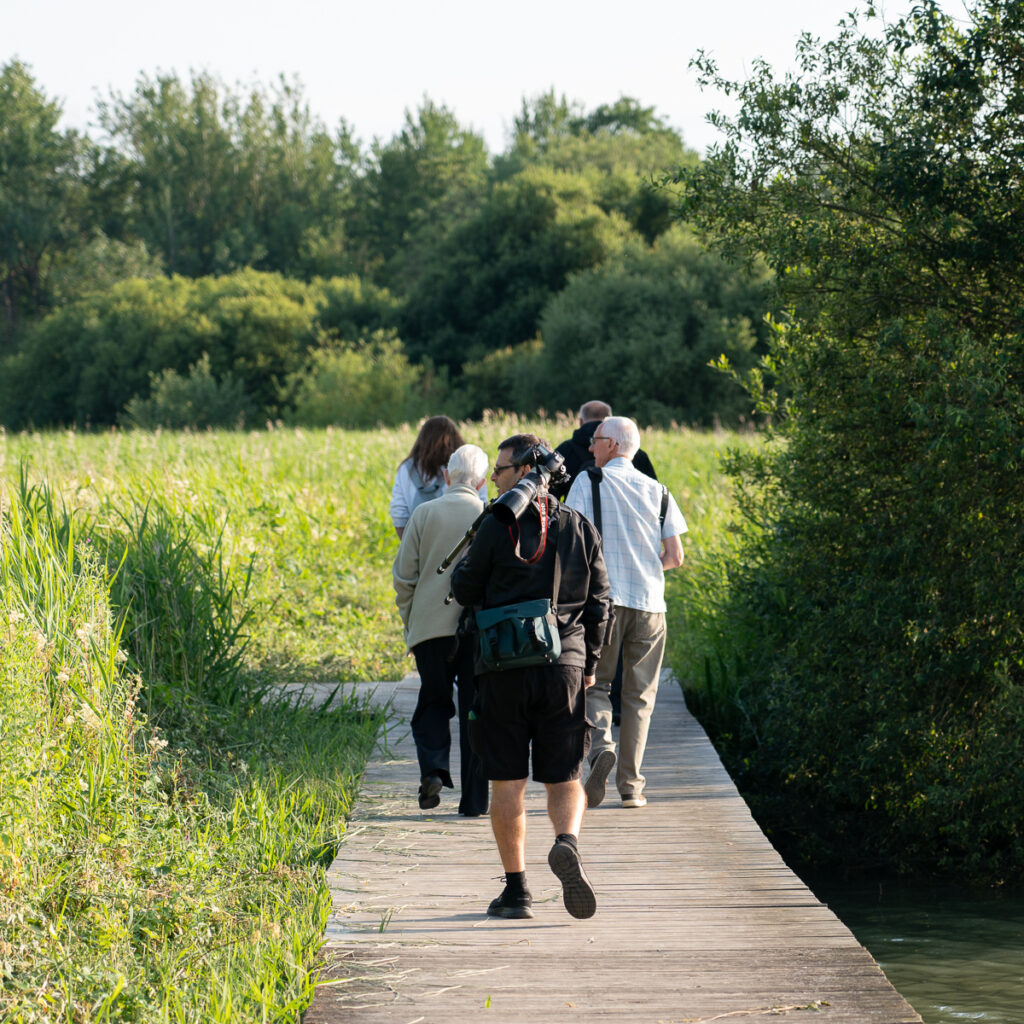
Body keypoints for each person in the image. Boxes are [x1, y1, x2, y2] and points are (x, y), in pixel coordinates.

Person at [450, 434, 612, 921]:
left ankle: (517, 892)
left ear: (522, 471)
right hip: (564, 665)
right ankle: (566, 842)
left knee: (507, 781)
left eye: (500, 470)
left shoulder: (495, 526)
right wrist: (591, 665)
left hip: (502, 668)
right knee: (564, 774)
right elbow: (601, 601)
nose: (495, 479)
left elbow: (464, 588)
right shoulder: (579, 526)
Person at [565, 416, 686, 810]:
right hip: (651, 606)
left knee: (595, 686)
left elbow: (572, 542)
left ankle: (601, 748)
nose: (590, 448)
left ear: (614, 445)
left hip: (605, 604)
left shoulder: (587, 482)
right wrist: (646, 568)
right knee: (639, 698)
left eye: (596, 441)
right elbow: (675, 557)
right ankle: (631, 788)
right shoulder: (660, 490)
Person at [393, 444, 491, 816]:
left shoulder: (423, 514)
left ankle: (433, 769)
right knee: (474, 710)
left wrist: (411, 620)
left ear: (447, 476)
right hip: (477, 629)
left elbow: (405, 577)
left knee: (433, 700)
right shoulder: (489, 515)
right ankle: (475, 801)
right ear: (481, 481)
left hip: (431, 628)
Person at [390, 416, 486, 538]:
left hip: (417, 540)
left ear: (422, 440)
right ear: (455, 439)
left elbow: (399, 513)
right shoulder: (467, 466)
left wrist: (410, 546)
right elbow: (481, 507)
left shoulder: (407, 468)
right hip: (460, 544)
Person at [549, 400, 658, 500]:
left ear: (581, 421)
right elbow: (653, 494)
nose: (592, 449)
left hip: (578, 518)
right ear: (610, 419)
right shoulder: (634, 453)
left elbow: (549, 495)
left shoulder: (565, 451)